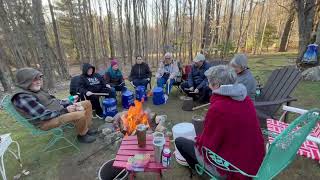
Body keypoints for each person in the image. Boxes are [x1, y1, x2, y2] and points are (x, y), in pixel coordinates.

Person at [175, 65, 265, 179]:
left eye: (210, 83)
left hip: (232, 168)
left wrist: (197, 140)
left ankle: (202, 172)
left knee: (180, 142)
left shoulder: (218, 108)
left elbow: (207, 146)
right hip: (253, 161)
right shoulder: (245, 99)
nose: (208, 85)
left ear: (217, 85)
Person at [11, 68, 97, 143]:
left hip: (57, 112)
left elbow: (53, 101)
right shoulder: (22, 97)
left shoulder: (37, 90)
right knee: (79, 114)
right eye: (34, 80)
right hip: (46, 122)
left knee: (87, 103)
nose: (38, 82)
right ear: (25, 82)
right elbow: (44, 115)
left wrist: (70, 102)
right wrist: (66, 110)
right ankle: (82, 135)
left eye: (39, 78)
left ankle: (86, 128)